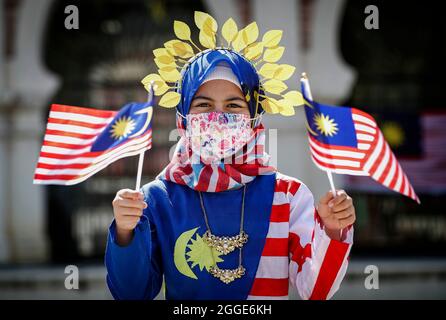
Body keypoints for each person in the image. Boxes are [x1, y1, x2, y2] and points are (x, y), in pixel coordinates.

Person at [105, 13, 355, 300]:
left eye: (234, 105)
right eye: (203, 104)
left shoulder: (288, 196)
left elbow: (316, 291)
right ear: (183, 118)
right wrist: (125, 232)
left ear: (254, 119)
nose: (219, 116)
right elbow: (132, 294)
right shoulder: (157, 198)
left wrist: (333, 230)